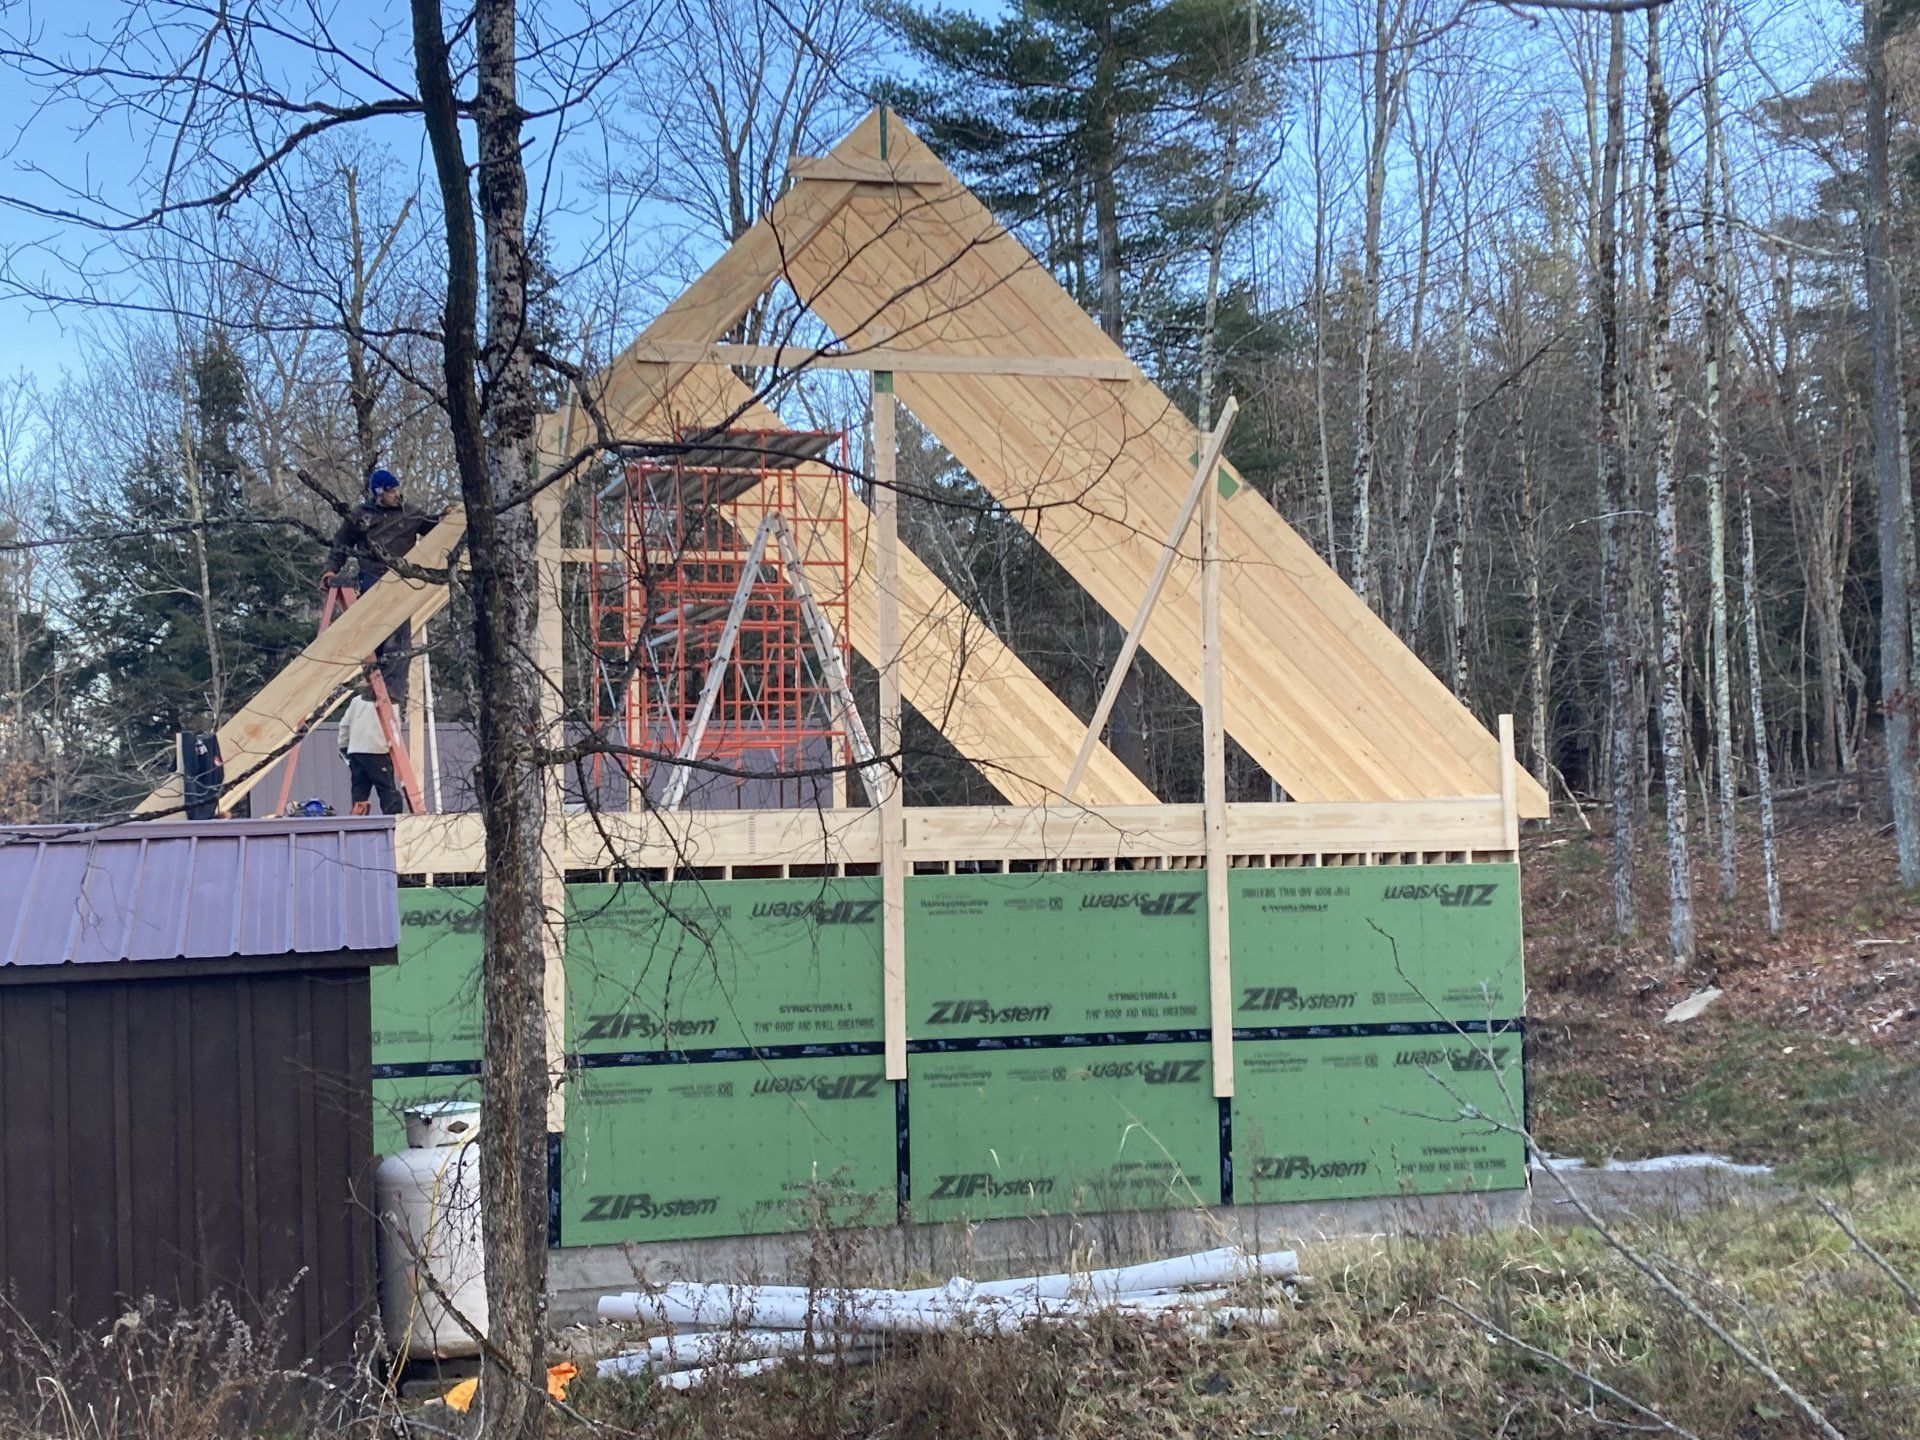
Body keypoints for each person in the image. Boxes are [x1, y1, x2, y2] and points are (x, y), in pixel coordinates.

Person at [322, 466, 438, 713]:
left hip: (400, 580)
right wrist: (330, 569)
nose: (397, 495)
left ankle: (393, 688)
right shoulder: (362, 515)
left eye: (397, 490)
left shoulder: (410, 514)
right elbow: (341, 544)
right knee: (375, 634)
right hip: (372, 577)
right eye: (392, 491)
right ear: (379, 494)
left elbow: (433, 526)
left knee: (399, 634)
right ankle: (375, 682)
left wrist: (447, 517)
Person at [338, 683, 406, 815]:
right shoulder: (389, 702)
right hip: (377, 751)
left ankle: (356, 824)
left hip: (356, 752)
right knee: (387, 791)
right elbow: (395, 728)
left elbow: (344, 726)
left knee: (360, 793)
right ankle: (394, 824)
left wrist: (344, 747)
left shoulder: (356, 701)